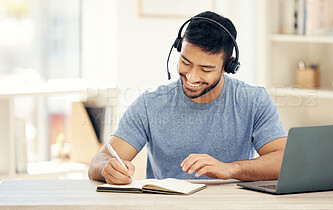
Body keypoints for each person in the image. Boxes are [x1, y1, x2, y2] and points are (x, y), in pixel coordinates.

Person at [88, 11, 287, 185]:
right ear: (178, 49)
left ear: (229, 66)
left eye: (206, 69)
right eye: (185, 62)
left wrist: (230, 169)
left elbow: (283, 160)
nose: (191, 77)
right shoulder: (151, 104)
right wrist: (107, 168)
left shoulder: (253, 101)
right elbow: (100, 160)